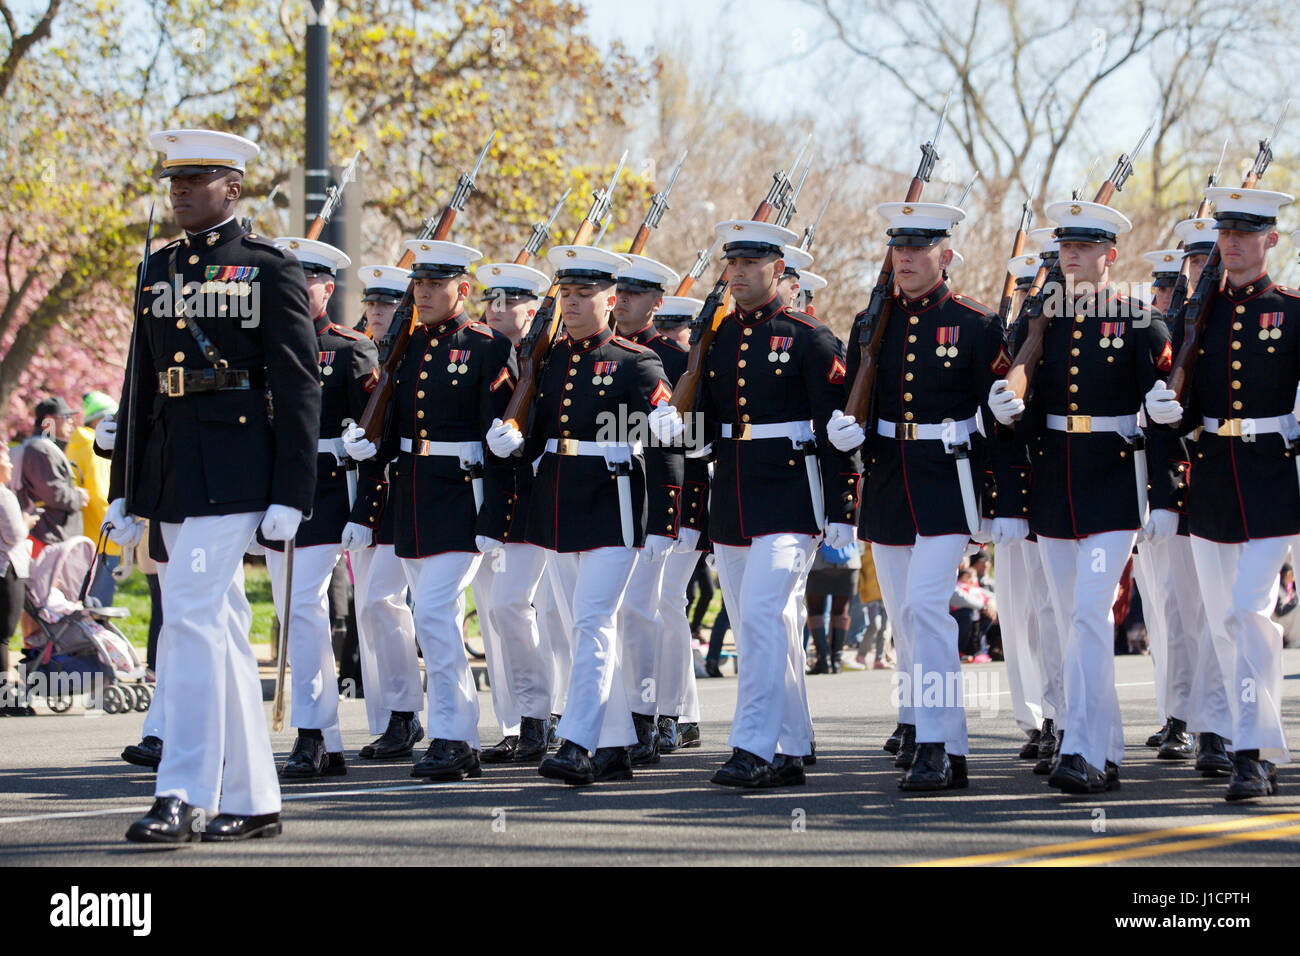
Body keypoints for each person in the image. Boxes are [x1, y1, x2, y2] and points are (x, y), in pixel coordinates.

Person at [105, 128, 320, 843]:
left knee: (192, 615)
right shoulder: (158, 267)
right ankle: (256, 798)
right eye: (175, 182)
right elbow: (141, 384)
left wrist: (294, 490)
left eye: (198, 180)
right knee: (218, 628)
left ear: (235, 188)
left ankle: (184, 791)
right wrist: (127, 488)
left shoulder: (268, 269)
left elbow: (296, 386)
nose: (182, 192)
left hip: (237, 468)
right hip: (172, 469)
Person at [651, 219, 860, 788]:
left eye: (750, 263)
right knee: (758, 623)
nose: (737, 273)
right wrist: (680, 426)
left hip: (792, 497)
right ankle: (791, 744)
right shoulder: (718, 336)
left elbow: (836, 430)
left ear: (778, 270)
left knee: (766, 615)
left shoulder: (810, 337)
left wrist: (844, 507)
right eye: (732, 263)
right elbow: (711, 425)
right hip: (735, 496)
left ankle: (753, 746)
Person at [991, 197, 1172, 795]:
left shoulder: (1138, 319)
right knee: (1070, 620)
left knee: (1091, 613)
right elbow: (1023, 408)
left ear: (1109, 256)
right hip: (1054, 483)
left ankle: (1082, 748)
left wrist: (1167, 495)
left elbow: (1165, 413)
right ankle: (1104, 746)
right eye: (1066, 246)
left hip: (1114, 482)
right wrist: (1007, 415)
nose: (1071, 254)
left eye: (1085, 246)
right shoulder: (1039, 321)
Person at [827, 201, 1011, 791]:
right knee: (906, 619)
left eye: (919, 248)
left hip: (945, 482)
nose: (905, 258)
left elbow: (1001, 420)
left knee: (927, 609)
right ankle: (927, 732)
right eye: (898, 248)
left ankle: (940, 744)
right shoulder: (869, 323)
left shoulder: (976, 323)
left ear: (946, 255)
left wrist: (1001, 502)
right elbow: (860, 400)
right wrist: (845, 437)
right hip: (887, 481)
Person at [487, 244, 682, 785]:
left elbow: (669, 434)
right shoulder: (546, 360)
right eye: (566, 293)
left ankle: (577, 741)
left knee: (593, 622)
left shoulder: (634, 360)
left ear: (612, 300)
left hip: (613, 503)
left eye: (584, 294)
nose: (571, 303)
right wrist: (513, 440)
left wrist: (667, 515)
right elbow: (541, 433)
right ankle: (616, 743)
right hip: (558, 502)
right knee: (579, 626)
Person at [1145, 187, 1299, 801]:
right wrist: (1167, 411)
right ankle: (1254, 742)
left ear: (1271, 241)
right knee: (1224, 622)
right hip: (1209, 481)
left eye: (1246, 231)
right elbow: (1187, 405)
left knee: (1249, 612)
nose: (1232, 241)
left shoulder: (1291, 311)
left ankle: (1251, 751)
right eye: (1226, 231)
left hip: (1268, 480)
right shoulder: (1194, 314)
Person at [343, 238, 515, 782]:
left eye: (435, 285)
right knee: (426, 613)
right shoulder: (410, 346)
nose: (423, 294)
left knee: (435, 613)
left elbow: (499, 440)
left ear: (462, 289)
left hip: (462, 497)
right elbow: (396, 423)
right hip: (414, 496)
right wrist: (372, 446)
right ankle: (441, 730)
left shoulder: (486, 347)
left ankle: (455, 734)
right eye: (418, 285)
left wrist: (496, 518)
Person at [262, 235, 376, 779]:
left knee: (303, 604)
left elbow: (375, 436)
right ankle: (326, 740)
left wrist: (365, 510)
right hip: (276, 492)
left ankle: (311, 730)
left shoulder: (351, 348)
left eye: (305, 280)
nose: (294, 289)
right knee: (291, 612)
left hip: (330, 491)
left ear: (327, 288)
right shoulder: (263, 345)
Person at [609, 252, 701, 761]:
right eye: (619, 292)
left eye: (636, 294)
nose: (623, 301)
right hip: (610, 495)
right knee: (623, 613)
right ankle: (629, 713)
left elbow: (691, 439)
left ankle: (662, 714)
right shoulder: (598, 349)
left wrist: (683, 514)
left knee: (650, 610)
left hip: (657, 499)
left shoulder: (672, 354)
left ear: (657, 302)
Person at [467, 260, 554, 764]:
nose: (498, 309)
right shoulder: (480, 353)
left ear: (534, 309)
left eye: (511, 301)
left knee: (519, 608)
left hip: (535, 499)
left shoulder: (550, 356)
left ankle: (544, 714)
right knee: (496, 614)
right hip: (487, 499)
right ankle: (515, 722)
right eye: (492, 300)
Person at [346, 265, 426, 762]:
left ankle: (410, 714)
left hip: (404, 496)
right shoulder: (357, 356)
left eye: (389, 304)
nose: (377, 311)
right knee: (370, 607)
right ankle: (390, 716)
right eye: (372, 303)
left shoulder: (409, 359)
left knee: (387, 602)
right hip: (364, 500)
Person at [66, 391, 120, 606]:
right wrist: (117, 529)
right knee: (98, 608)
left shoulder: (75, 445)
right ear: (100, 420)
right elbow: (99, 494)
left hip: (82, 536)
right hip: (103, 540)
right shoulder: (94, 448)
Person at [15, 397, 89, 548]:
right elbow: (53, 494)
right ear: (48, 421)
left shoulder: (43, 448)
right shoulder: (41, 450)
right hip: (47, 536)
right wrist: (79, 496)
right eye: (66, 417)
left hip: (50, 534)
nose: (71, 422)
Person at [0, 444, 35, 715]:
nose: (11, 466)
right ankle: (4, 698)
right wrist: (26, 521)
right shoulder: (5, 496)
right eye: (6, 462)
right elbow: (14, 535)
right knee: (3, 637)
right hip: (7, 570)